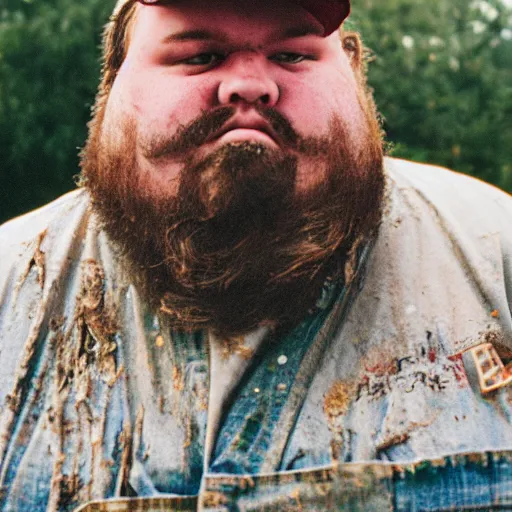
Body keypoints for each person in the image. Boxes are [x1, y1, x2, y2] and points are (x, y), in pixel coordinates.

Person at [0, 0, 511, 510]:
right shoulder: (10, 287)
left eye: (292, 55)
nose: (249, 84)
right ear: (111, 85)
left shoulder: (497, 256)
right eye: (200, 55)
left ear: (354, 73)